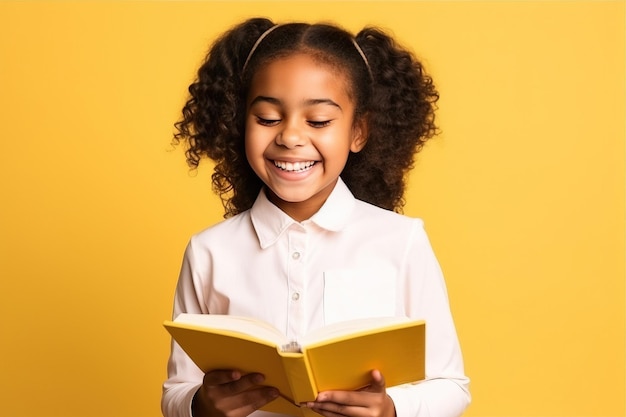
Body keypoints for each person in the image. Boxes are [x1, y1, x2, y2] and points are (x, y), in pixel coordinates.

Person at [162, 17, 470, 417]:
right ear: (240, 123)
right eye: (268, 118)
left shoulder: (402, 241)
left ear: (358, 131)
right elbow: (176, 390)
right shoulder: (209, 251)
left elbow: (452, 386)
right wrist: (199, 404)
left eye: (319, 121)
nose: (290, 137)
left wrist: (393, 409)